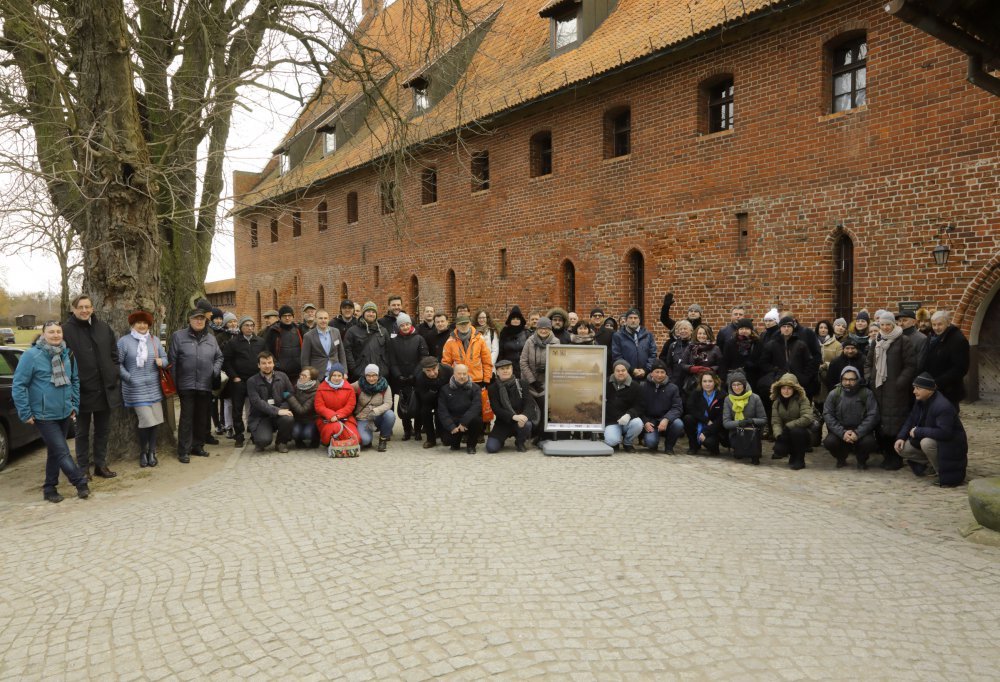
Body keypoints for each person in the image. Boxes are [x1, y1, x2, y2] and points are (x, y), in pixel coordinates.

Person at [13, 321, 90, 503]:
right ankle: (80, 482)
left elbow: (75, 380)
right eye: (51, 332)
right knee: (62, 451)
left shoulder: (67, 354)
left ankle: (49, 488)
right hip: (43, 414)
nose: (55, 335)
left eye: (58, 331)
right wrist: (25, 412)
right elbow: (19, 385)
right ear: (43, 334)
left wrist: (74, 405)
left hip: (64, 412)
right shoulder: (31, 356)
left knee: (55, 452)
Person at [61, 294, 121, 480]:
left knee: (103, 430)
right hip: (81, 391)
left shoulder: (103, 328)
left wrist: (114, 371)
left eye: (87, 307)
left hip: (105, 389)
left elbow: (114, 354)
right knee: (82, 433)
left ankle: (100, 465)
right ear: (74, 309)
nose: (84, 310)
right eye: (80, 307)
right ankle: (83, 468)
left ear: (92, 308)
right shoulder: (65, 330)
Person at [864, 311, 918, 469]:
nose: (886, 327)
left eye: (888, 324)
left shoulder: (903, 341)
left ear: (894, 324)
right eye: (882, 324)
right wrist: (869, 378)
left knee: (895, 422)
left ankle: (896, 457)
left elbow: (910, 365)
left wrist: (900, 382)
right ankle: (886, 454)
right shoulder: (876, 341)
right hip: (878, 388)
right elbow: (868, 363)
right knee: (881, 422)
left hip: (896, 390)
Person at [170, 309, 223, 463]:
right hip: (186, 384)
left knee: (201, 417)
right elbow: (172, 361)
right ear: (190, 320)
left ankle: (198, 446)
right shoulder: (178, 336)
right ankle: (183, 450)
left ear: (205, 321)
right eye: (196, 319)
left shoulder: (211, 338)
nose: (199, 321)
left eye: (201, 319)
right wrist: (174, 384)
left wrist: (215, 370)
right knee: (186, 418)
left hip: (205, 384)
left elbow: (219, 356)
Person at [895, 373, 967, 487]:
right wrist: (901, 437)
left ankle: (941, 472)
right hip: (937, 441)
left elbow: (945, 433)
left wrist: (919, 431)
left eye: (918, 388)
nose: (914, 391)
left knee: (926, 443)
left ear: (929, 390)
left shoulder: (942, 406)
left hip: (951, 446)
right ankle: (931, 465)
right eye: (914, 388)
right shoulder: (920, 400)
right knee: (902, 448)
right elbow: (911, 419)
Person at [117, 310, 167, 468]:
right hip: (134, 388)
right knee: (146, 420)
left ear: (149, 325)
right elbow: (116, 363)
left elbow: (165, 358)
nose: (142, 325)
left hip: (154, 386)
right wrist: (129, 378)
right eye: (138, 323)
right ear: (132, 324)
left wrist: (162, 362)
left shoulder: (155, 340)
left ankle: (152, 451)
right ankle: (143, 452)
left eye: (145, 323)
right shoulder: (124, 342)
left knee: (156, 421)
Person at [822, 366, 880, 469]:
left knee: (869, 442)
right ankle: (841, 458)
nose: (848, 382)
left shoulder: (866, 393)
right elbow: (827, 414)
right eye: (845, 379)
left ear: (857, 379)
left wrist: (858, 433)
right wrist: (842, 432)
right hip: (841, 429)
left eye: (851, 379)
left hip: (861, 430)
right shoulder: (834, 394)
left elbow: (873, 414)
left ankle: (862, 459)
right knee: (829, 442)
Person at [223, 316, 267, 448]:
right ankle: (239, 435)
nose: (249, 328)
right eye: (246, 325)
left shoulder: (260, 341)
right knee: (237, 409)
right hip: (239, 380)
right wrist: (234, 376)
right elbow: (227, 361)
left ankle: (254, 433)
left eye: (251, 325)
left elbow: (266, 357)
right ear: (241, 327)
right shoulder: (233, 342)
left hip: (255, 380)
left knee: (256, 407)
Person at [389, 312, 429, 441]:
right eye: (402, 325)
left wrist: (415, 374)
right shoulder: (394, 341)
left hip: (416, 377)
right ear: (399, 327)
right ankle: (407, 430)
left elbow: (423, 358)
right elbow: (392, 360)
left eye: (407, 324)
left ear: (410, 325)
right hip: (402, 377)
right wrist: (398, 375)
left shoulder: (419, 339)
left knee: (418, 404)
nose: (405, 327)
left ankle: (417, 430)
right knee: (404, 404)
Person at [246, 351, 295, 452]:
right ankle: (259, 440)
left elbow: (290, 394)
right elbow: (257, 402)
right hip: (261, 416)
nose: (267, 366)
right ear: (258, 365)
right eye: (263, 363)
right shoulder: (251, 381)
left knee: (288, 418)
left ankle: (281, 442)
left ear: (273, 363)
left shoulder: (283, 377)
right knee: (263, 440)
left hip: (279, 413)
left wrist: (282, 408)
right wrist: (277, 411)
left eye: (269, 362)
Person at [486, 360, 538, 453]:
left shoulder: (522, 384)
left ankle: (520, 442)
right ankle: (500, 440)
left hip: (520, 422)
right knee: (491, 448)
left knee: (527, 424)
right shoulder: (492, 388)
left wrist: (525, 416)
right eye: (502, 369)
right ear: (497, 371)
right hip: (503, 423)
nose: (505, 371)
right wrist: (513, 417)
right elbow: (496, 409)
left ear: (512, 370)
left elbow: (530, 404)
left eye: (508, 368)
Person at [921, 310, 970, 409]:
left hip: (948, 390)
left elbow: (960, 368)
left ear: (948, 323)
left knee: (947, 420)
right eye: (934, 324)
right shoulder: (932, 336)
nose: (936, 328)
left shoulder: (958, 340)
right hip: (930, 387)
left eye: (940, 324)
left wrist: (938, 383)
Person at [769, 373, 814, 470]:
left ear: (795, 389)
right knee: (779, 450)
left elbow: (807, 417)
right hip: (785, 433)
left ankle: (800, 459)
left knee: (796, 432)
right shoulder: (776, 402)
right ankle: (793, 455)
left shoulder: (802, 399)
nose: (786, 391)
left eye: (789, 388)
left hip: (803, 432)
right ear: (779, 389)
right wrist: (779, 435)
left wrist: (789, 426)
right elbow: (776, 422)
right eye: (783, 388)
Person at [638, 360, 684, 453]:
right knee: (651, 443)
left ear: (666, 374)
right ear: (651, 373)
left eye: (662, 372)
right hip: (650, 422)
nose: (659, 375)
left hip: (666, 421)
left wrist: (666, 419)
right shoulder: (643, 386)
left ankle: (669, 446)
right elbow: (638, 407)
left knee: (679, 424)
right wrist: (645, 421)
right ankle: (652, 441)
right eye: (657, 372)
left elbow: (677, 407)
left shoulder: (673, 388)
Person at [722, 369, 767, 464]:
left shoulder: (755, 398)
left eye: (739, 384)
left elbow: (763, 420)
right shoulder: (728, 399)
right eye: (733, 385)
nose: (736, 387)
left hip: (752, 431)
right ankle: (738, 448)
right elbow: (726, 423)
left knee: (753, 456)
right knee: (739, 455)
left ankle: (754, 452)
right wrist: (739, 423)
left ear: (744, 385)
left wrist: (751, 421)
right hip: (737, 431)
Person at [314, 363, 360, 455]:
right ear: (330, 376)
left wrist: (338, 415)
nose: (336, 378)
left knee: (356, 438)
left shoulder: (349, 389)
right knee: (336, 427)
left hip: (345, 419)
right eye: (334, 375)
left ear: (343, 376)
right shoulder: (321, 388)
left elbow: (350, 406)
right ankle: (328, 441)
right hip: (327, 419)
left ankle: (337, 442)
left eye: (339, 375)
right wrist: (331, 415)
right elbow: (319, 406)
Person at [438, 363, 483, 454]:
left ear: (468, 374)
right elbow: (442, 410)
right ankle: (455, 443)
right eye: (459, 373)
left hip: (468, 420)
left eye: (464, 374)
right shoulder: (445, 389)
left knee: (478, 420)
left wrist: (464, 422)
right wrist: (451, 426)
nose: (462, 376)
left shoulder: (475, 388)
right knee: (447, 441)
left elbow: (476, 406)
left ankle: (471, 445)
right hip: (453, 420)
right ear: (453, 374)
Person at [441, 313, 493, 387]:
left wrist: (487, 379)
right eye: (461, 324)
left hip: (476, 380)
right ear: (456, 326)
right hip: (458, 380)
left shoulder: (479, 339)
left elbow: (487, 361)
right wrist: (449, 379)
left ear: (470, 324)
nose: (463, 326)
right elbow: (446, 363)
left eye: (466, 323)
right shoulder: (450, 341)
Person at [353, 364, 395, 451]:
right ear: (365, 376)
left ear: (378, 375)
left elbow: (388, 404)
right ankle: (368, 439)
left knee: (390, 415)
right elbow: (345, 388)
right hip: (363, 418)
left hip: (377, 416)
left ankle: (383, 439)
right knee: (365, 441)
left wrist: (375, 411)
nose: (371, 378)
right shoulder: (359, 384)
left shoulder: (385, 386)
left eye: (374, 375)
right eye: (368, 375)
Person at [344, 301, 390, 382]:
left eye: (373, 312)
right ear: (363, 313)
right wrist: (354, 369)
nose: (371, 314)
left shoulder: (383, 331)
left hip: (380, 374)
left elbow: (389, 350)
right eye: (368, 311)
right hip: (360, 374)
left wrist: (385, 368)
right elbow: (347, 351)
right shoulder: (352, 331)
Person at [683, 371, 727, 455]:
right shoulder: (696, 393)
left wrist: (706, 432)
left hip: (714, 427)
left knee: (711, 446)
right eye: (704, 381)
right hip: (702, 421)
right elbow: (690, 408)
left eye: (710, 381)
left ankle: (711, 444)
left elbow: (721, 418)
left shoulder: (722, 395)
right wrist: (705, 420)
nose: (707, 384)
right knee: (688, 419)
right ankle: (693, 446)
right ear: (701, 382)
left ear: (715, 382)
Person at [604, 360, 643, 451]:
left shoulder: (635, 386)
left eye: (623, 370)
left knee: (638, 423)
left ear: (627, 371)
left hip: (627, 421)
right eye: (618, 371)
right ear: (614, 372)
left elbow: (640, 406)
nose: (620, 373)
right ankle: (615, 440)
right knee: (611, 442)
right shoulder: (605, 383)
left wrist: (629, 415)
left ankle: (627, 442)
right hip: (611, 422)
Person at [414, 356, 453, 448]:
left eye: (434, 369)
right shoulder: (419, 377)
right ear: (423, 370)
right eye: (428, 371)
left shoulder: (448, 370)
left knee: (447, 440)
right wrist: (433, 390)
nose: (432, 373)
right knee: (424, 412)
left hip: (445, 398)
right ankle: (430, 439)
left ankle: (442, 433)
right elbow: (423, 397)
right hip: (429, 398)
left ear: (438, 366)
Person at [520, 316, 559, 406]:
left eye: (546, 328)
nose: (543, 331)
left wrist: (547, 368)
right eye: (541, 328)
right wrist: (532, 381)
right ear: (537, 329)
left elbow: (557, 362)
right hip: (530, 383)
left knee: (545, 409)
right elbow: (523, 362)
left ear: (550, 329)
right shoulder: (529, 341)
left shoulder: (556, 342)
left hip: (546, 383)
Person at [300, 308, 347, 380]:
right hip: (318, 375)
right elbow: (305, 359)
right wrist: (307, 375)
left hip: (335, 374)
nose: (323, 320)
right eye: (320, 318)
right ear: (315, 319)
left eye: (325, 318)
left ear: (328, 319)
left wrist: (344, 372)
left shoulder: (336, 332)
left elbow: (341, 353)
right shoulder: (308, 336)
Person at [612, 308, 656, 382]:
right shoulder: (618, 336)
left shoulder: (648, 335)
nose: (633, 320)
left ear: (639, 320)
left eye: (635, 318)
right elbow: (617, 356)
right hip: (626, 376)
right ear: (626, 320)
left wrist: (646, 370)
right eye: (630, 318)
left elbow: (653, 354)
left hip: (645, 377)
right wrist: (632, 370)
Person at [263, 305, 304, 380]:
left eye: (289, 315)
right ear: (280, 317)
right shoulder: (273, 331)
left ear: (293, 317)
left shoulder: (299, 329)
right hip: (281, 371)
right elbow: (267, 350)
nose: (287, 318)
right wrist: (276, 364)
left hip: (298, 370)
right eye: (284, 316)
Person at [682, 324, 723, 394]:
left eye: (704, 334)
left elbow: (721, 365)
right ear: (696, 335)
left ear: (708, 335)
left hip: (709, 382)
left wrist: (711, 369)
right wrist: (692, 368)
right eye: (699, 333)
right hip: (693, 382)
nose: (701, 336)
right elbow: (683, 364)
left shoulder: (715, 348)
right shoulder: (690, 347)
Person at [721, 318, 760, 388]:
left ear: (751, 330)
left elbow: (761, 360)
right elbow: (725, 362)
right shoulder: (730, 343)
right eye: (741, 329)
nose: (744, 331)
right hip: (734, 378)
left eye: (747, 329)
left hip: (752, 378)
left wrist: (753, 365)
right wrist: (723, 379)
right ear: (738, 330)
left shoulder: (757, 343)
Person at [287, 367, 320, 448]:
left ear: (311, 378)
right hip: (298, 419)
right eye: (301, 374)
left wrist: (289, 397)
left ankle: (315, 439)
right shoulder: (297, 386)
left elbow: (303, 410)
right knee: (295, 432)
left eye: (304, 376)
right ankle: (299, 442)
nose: (301, 377)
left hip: (311, 420)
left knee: (307, 433)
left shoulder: (316, 392)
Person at [814, 319, 841, 409]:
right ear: (817, 329)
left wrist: (826, 365)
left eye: (825, 328)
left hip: (829, 378)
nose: (823, 330)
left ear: (829, 329)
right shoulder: (812, 343)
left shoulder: (837, 345)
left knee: (828, 403)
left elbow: (839, 361)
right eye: (821, 327)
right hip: (815, 378)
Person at [660, 319, 693, 388]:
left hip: (691, 383)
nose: (683, 331)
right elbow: (668, 364)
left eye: (685, 329)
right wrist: (671, 379)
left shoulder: (695, 345)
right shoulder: (673, 346)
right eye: (680, 329)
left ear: (691, 331)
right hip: (675, 382)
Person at [498, 306, 529, 375]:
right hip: (508, 367)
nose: (515, 320)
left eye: (518, 319)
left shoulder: (526, 332)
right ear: (510, 320)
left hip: (523, 368)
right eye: (513, 318)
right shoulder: (504, 332)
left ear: (521, 320)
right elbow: (501, 351)